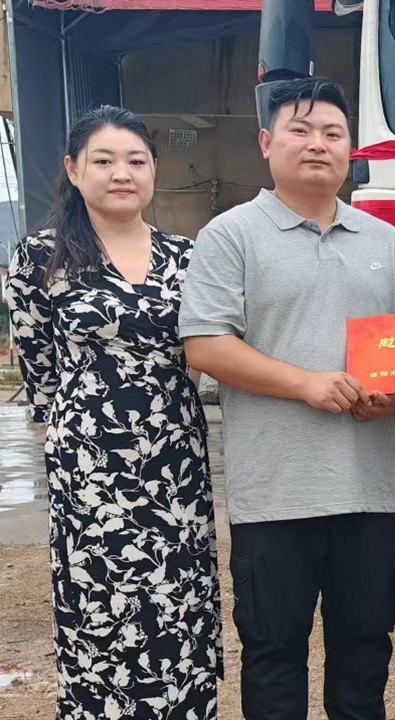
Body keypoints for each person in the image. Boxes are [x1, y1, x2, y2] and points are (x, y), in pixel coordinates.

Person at [179, 76, 395, 719]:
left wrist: (393, 399)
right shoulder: (230, 236)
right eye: (300, 129)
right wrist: (307, 384)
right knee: (272, 654)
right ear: (266, 142)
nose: (317, 143)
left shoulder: (385, 242)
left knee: (365, 651)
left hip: (369, 493)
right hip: (275, 495)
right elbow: (205, 347)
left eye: (333, 133)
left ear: (351, 149)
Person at [8, 105, 221, 718]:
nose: (120, 173)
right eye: (103, 161)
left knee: (179, 605)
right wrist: (83, 432)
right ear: (73, 170)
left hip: (176, 460)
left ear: (154, 170)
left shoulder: (187, 257)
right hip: (90, 470)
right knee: (101, 610)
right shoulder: (41, 257)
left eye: (136, 160)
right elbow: (39, 369)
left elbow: (212, 346)